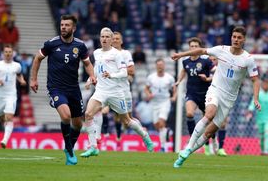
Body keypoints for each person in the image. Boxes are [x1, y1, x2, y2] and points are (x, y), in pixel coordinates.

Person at [171, 26, 261, 168]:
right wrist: (181, 54)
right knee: (210, 114)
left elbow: (255, 80)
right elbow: (201, 51)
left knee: (209, 132)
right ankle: (188, 146)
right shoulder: (221, 50)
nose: (236, 40)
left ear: (244, 40)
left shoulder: (248, 59)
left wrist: (256, 98)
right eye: (234, 36)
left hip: (229, 99)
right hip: (215, 90)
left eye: (239, 38)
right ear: (231, 37)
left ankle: (187, 153)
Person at [30, 14, 96, 165]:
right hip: (56, 88)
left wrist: (92, 75)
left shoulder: (80, 46)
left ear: (74, 28)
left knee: (78, 124)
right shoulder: (51, 44)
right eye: (62, 25)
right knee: (66, 116)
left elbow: (87, 63)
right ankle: (69, 148)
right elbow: (37, 58)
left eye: (67, 25)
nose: (63, 28)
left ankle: (69, 149)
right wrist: (33, 79)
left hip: (73, 89)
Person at [80, 27, 153, 158]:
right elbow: (96, 69)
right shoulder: (96, 53)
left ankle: (145, 135)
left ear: (111, 40)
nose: (104, 39)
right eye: (102, 36)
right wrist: (90, 79)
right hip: (101, 91)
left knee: (127, 121)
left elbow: (124, 72)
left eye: (107, 37)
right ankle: (93, 147)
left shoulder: (117, 54)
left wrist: (111, 75)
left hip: (116, 92)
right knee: (88, 114)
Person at [174, 37, 217, 156]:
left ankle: (213, 141)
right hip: (191, 93)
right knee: (189, 114)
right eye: (191, 46)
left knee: (208, 122)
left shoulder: (206, 61)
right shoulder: (186, 61)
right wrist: (178, 81)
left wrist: (207, 78)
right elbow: (184, 70)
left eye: (195, 46)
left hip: (206, 94)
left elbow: (216, 72)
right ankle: (194, 140)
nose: (193, 48)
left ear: (199, 47)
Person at [0, 45, 26, 148]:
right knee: (1, 117)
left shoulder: (17, 65)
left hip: (11, 95)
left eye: (10, 52)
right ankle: (3, 121)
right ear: (3, 53)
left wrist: (21, 80)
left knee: (9, 117)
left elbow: (19, 74)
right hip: (0, 95)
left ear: (12, 53)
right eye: (6, 52)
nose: (8, 54)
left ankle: (4, 140)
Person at [144, 58, 177, 152]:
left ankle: (162, 147)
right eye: (158, 65)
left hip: (165, 102)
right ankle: (167, 131)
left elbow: (175, 89)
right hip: (154, 103)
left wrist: (174, 97)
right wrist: (148, 95)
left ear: (164, 66)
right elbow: (146, 88)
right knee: (156, 125)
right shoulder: (151, 77)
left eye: (161, 65)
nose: (160, 67)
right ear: (156, 66)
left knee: (161, 122)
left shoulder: (169, 78)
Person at [246, 78, 268, 155]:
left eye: (267, 84)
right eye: (264, 84)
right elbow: (253, 103)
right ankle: (262, 150)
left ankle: (266, 151)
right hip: (260, 118)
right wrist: (250, 110)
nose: (266, 85)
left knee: (267, 133)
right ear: (262, 85)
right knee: (261, 136)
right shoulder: (258, 94)